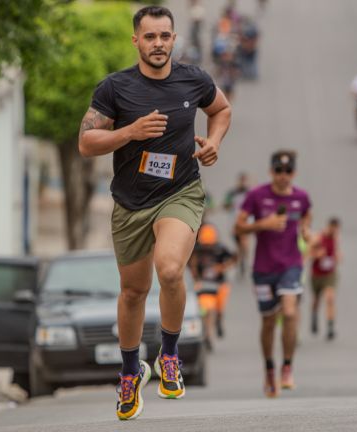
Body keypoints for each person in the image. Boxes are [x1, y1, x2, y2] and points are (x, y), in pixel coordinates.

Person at [78, 6, 231, 421]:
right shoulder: (115, 88)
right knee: (132, 292)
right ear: (136, 41)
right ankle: (130, 372)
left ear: (174, 38)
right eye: (150, 37)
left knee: (169, 270)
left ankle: (169, 353)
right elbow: (86, 142)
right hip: (130, 202)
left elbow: (221, 109)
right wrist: (130, 132)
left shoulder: (193, 79)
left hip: (179, 193)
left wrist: (214, 140)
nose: (158, 44)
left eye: (165, 36)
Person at [235, 150, 312, 397]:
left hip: (291, 265)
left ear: (294, 174)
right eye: (278, 171)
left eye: (288, 172)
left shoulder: (302, 198)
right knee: (268, 322)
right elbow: (238, 227)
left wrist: (307, 232)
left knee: (289, 312)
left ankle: (287, 367)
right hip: (263, 268)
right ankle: (269, 368)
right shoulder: (257, 196)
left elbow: (306, 217)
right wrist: (262, 225)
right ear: (271, 172)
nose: (283, 176)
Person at [189, 223, 235, 350]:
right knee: (207, 309)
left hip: (219, 284)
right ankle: (207, 334)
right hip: (203, 285)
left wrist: (222, 268)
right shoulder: (197, 249)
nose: (207, 247)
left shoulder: (220, 249)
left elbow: (233, 258)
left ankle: (219, 320)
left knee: (219, 307)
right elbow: (191, 263)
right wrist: (195, 277)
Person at [309, 218, 341, 341]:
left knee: (330, 298)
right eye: (333, 229)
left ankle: (330, 327)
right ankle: (314, 316)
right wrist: (317, 255)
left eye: (337, 229)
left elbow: (336, 252)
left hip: (330, 274)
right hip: (317, 274)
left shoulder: (336, 237)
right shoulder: (318, 237)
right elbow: (308, 253)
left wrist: (337, 257)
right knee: (316, 299)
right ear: (329, 226)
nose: (335, 231)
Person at [224, 172, 251, 277]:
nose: (243, 183)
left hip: (246, 222)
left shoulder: (250, 193)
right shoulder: (232, 193)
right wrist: (229, 204)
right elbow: (226, 205)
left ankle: (245, 261)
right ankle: (240, 261)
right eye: (241, 180)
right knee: (239, 245)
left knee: (245, 241)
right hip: (234, 222)